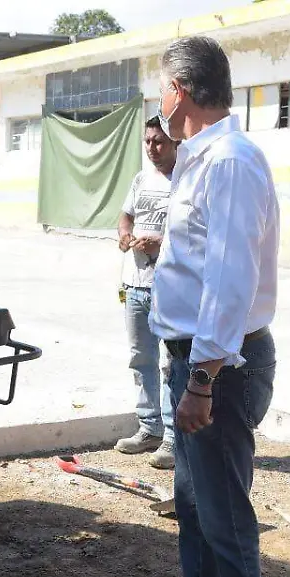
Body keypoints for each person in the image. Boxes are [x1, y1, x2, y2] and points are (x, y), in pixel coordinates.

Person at [119, 36, 278, 577]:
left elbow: (230, 278)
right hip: (193, 363)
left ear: (179, 91)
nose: (160, 99)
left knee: (225, 519)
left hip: (222, 369)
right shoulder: (198, 159)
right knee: (194, 511)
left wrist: (204, 377)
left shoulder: (229, 162)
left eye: (162, 88)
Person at [114, 116, 179, 470]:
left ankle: (171, 437)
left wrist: (160, 242)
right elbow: (124, 217)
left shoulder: (184, 182)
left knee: (171, 363)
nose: (153, 149)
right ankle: (149, 426)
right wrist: (125, 235)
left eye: (160, 142)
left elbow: (193, 235)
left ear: (174, 143)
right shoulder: (141, 179)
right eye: (149, 142)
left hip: (167, 288)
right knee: (141, 359)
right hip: (134, 285)